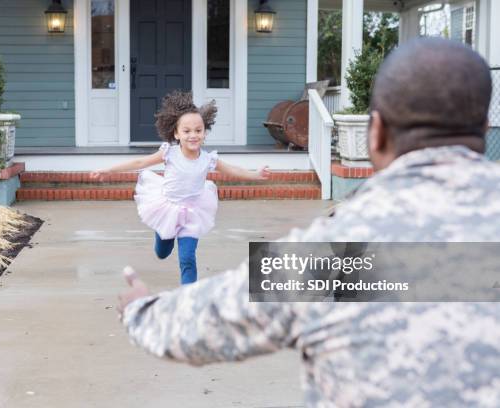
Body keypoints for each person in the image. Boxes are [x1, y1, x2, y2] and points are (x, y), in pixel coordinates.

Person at [117, 38, 500, 407]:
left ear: (376, 133)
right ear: (484, 126)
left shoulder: (340, 248)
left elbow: (200, 326)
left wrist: (141, 310)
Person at [92, 91, 270, 284]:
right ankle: (161, 234)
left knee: (187, 259)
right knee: (162, 253)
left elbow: (232, 170)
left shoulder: (208, 159)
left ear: (204, 132)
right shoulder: (169, 153)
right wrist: (107, 170)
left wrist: (256, 174)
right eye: (187, 131)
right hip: (167, 208)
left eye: (198, 130)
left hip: (193, 212)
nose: (193, 135)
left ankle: (189, 297)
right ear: (176, 133)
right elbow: (139, 162)